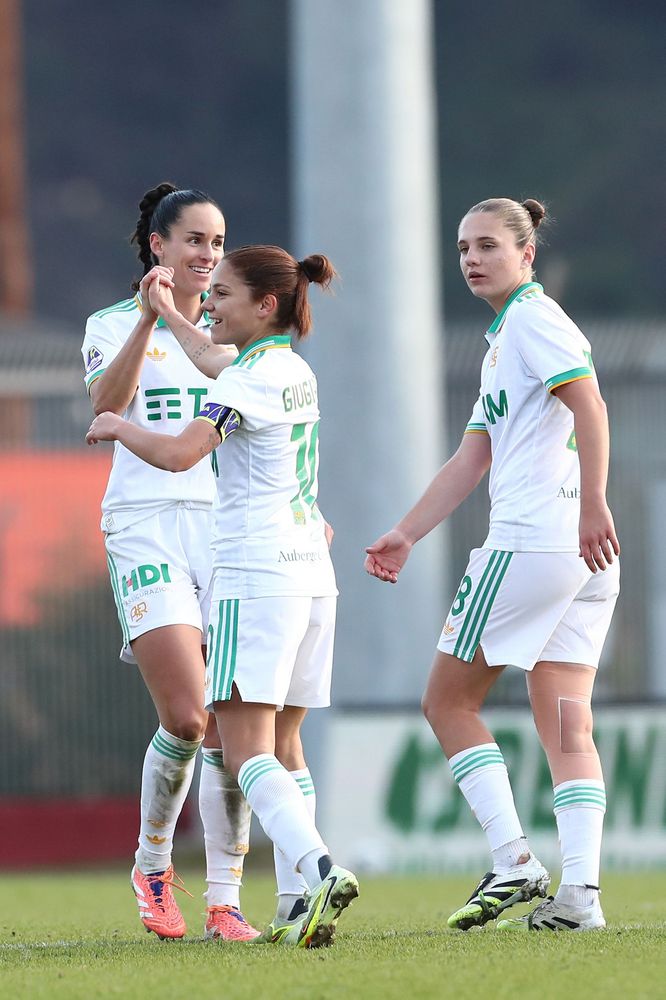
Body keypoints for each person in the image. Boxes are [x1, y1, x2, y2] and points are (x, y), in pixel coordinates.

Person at [86, 244, 360, 948]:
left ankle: (319, 865)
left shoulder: (248, 380)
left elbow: (182, 454)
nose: (213, 302)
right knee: (287, 745)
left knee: (243, 751)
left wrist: (119, 426)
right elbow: (211, 358)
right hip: (311, 576)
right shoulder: (286, 368)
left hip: (255, 574)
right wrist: (170, 313)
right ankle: (298, 903)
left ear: (264, 306)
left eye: (226, 293)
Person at [365, 197, 620, 933]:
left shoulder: (534, 322)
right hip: (582, 560)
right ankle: (582, 898)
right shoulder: (506, 336)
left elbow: (592, 405)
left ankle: (513, 859)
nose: (472, 259)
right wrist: (408, 533)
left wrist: (592, 503)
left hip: (535, 543)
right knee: (568, 724)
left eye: (488, 246)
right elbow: (473, 456)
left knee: (447, 703)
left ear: (526, 254)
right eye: (462, 248)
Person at [81, 182, 259, 942]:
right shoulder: (110, 323)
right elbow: (103, 404)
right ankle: (153, 863)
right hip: (146, 525)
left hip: (225, 527)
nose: (207, 255)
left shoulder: (226, 335)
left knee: (232, 718)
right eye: (194, 240)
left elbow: (263, 422)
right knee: (187, 716)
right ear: (157, 245)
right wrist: (150, 319)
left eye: (217, 244)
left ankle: (226, 900)